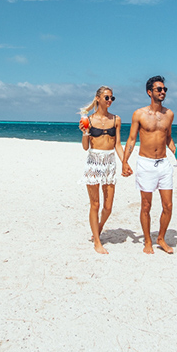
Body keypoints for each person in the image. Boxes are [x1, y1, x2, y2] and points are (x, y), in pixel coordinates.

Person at [121, 76, 177, 254]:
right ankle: (147, 240)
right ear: (150, 92)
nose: (163, 92)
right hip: (146, 163)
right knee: (146, 205)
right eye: (159, 89)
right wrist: (125, 161)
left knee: (168, 206)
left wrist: (176, 151)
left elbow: (168, 137)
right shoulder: (139, 114)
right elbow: (132, 139)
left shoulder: (169, 114)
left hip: (163, 163)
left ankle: (160, 238)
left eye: (164, 89)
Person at [80, 86, 123, 254]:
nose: (110, 101)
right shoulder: (88, 120)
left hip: (110, 162)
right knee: (95, 204)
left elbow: (118, 144)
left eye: (112, 98)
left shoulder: (116, 119)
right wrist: (85, 133)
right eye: (107, 98)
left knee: (108, 206)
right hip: (94, 162)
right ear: (98, 98)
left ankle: (98, 228)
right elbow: (85, 147)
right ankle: (97, 241)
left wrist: (125, 162)